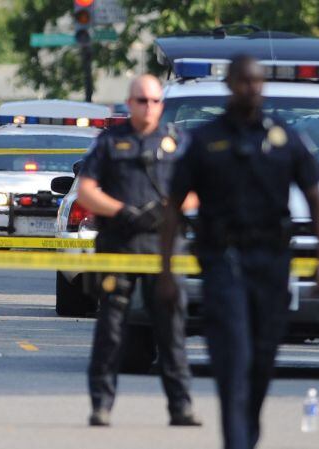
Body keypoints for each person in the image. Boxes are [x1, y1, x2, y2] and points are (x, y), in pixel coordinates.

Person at [158, 55, 319, 449]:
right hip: (224, 262)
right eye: (244, 81)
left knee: (262, 363)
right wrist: (166, 272)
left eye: (257, 82)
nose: (252, 88)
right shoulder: (204, 140)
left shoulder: (283, 137)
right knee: (233, 359)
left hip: (271, 264)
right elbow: (173, 207)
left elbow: (316, 199)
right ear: (231, 84)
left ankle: (245, 436)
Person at [77, 75, 201, 427]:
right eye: (141, 101)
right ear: (129, 103)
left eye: (154, 101)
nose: (149, 107)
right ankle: (101, 405)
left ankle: (181, 407)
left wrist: (169, 208)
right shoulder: (110, 142)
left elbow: (200, 190)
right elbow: (86, 190)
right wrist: (121, 211)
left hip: (163, 251)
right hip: (118, 248)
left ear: (162, 104)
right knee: (111, 332)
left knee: (171, 331)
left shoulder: (178, 142)